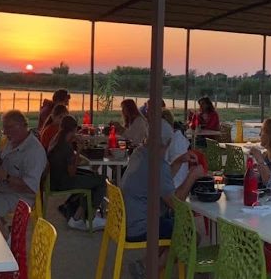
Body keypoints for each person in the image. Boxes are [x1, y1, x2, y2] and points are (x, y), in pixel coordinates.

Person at [121, 118, 204, 275]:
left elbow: (160, 183)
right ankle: (148, 270)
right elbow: (175, 203)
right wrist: (192, 176)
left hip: (125, 220)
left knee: (172, 225)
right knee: (189, 234)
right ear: (167, 143)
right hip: (140, 226)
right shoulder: (157, 164)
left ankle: (145, 264)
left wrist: (179, 161)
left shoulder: (140, 153)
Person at [0, 110, 47, 239]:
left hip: (22, 196)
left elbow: (30, 187)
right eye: (4, 128)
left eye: (8, 127)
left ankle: (7, 244)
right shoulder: (13, 141)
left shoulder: (34, 151)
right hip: (4, 189)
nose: (5, 132)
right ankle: (2, 231)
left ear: (21, 125)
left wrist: (4, 176)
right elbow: (0, 156)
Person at [47, 115, 107, 231]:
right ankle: (92, 218)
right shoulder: (66, 147)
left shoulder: (55, 140)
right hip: (62, 182)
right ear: (74, 130)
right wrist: (78, 151)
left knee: (92, 177)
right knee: (101, 181)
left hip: (54, 179)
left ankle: (77, 217)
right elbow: (72, 172)